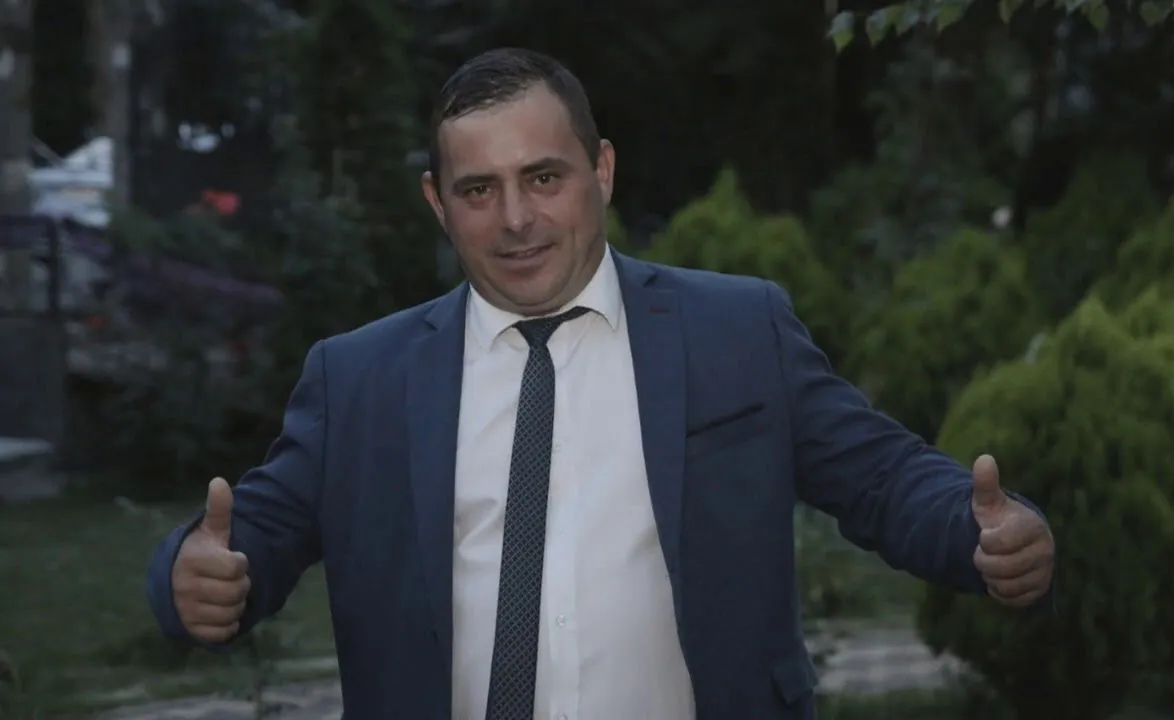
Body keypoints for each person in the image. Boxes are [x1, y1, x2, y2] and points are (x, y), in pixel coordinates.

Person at [146, 47, 1055, 720]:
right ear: (437, 203)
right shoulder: (360, 379)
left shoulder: (736, 333)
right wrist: (196, 577)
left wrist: (978, 532)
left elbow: (882, 477)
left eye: (543, 177)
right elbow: (252, 537)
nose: (516, 219)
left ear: (602, 171)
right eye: (478, 190)